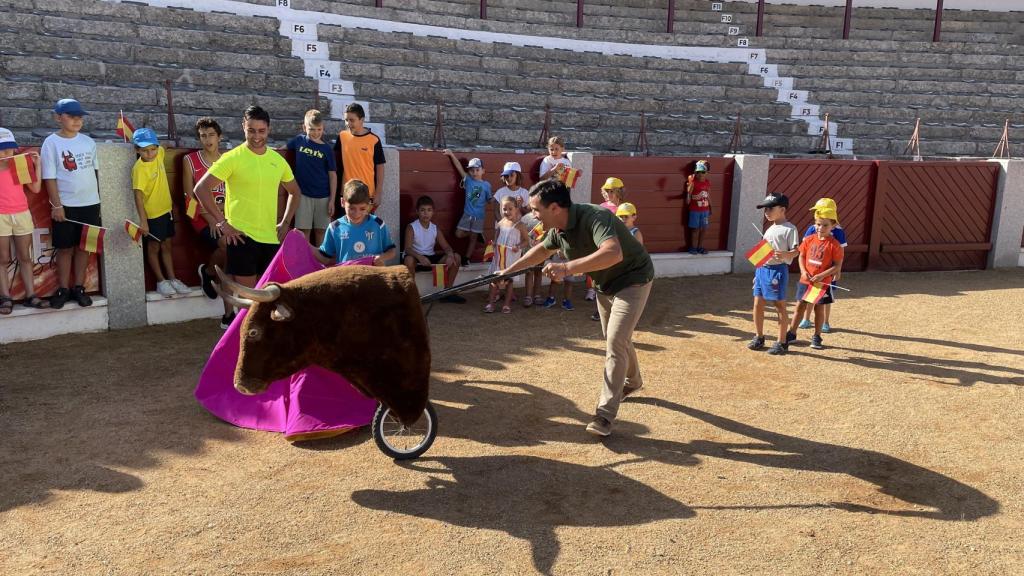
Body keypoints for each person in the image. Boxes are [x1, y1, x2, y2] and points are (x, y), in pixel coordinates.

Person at [499, 179, 655, 437]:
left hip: (633, 279)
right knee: (617, 338)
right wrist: (506, 272)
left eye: (536, 209)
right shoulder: (557, 229)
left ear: (556, 208)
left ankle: (604, 416)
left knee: (615, 341)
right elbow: (539, 252)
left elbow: (613, 253)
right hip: (605, 285)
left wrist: (566, 268)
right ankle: (634, 381)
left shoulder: (596, 216)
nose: (532, 215)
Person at [193, 105, 300, 325]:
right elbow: (201, 189)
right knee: (249, 302)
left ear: (268, 130)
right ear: (243, 128)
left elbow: (295, 193)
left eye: (261, 131)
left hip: (270, 238)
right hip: (241, 237)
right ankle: (238, 343)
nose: (256, 136)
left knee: (266, 300)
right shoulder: (233, 158)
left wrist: (286, 222)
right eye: (251, 130)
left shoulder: (277, 160)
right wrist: (223, 223)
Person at [40, 98, 100, 309]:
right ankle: (63, 288)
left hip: (91, 204)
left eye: (79, 116)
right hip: (65, 205)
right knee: (65, 248)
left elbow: (95, 172)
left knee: (84, 248)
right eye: (71, 116)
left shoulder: (88, 142)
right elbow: (49, 177)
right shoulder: (51, 143)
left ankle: (79, 287)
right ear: (58, 117)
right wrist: (57, 205)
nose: (77, 120)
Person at [183, 118, 234, 326]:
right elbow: (189, 196)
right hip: (200, 216)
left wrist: (223, 218)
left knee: (232, 249)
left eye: (211, 134)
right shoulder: (190, 160)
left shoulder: (229, 158)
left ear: (219, 137)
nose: (207, 139)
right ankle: (210, 273)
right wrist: (212, 218)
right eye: (203, 136)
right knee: (225, 245)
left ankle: (210, 271)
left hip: (226, 215)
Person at [131, 127, 189, 298]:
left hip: (166, 211)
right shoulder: (139, 169)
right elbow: (138, 196)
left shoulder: (160, 153)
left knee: (166, 245)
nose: (150, 153)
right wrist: (143, 221)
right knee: (154, 247)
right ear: (137, 150)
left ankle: (172, 278)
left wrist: (166, 143)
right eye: (145, 150)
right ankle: (160, 281)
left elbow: (163, 145)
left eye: (153, 148)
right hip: (152, 216)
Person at [0, 128, 49, 313]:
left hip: (21, 214)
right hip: (1, 215)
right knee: (3, 258)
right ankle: (5, 297)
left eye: (10, 148)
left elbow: (36, 189)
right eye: (2, 149)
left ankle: (31, 295)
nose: (7, 153)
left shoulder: (18, 165)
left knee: (25, 257)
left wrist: (37, 165)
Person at [748, 192, 800, 356]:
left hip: (777, 270)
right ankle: (759, 336)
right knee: (758, 303)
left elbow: (796, 250)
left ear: (782, 209)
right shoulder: (770, 228)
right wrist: (758, 270)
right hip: (762, 269)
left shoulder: (790, 229)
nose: (767, 212)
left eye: (770, 208)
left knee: (779, 306)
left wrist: (786, 255)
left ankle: (782, 342)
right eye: (765, 209)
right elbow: (764, 249)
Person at [787, 207, 844, 351]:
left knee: (819, 309)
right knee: (800, 306)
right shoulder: (809, 240)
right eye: (818, 224)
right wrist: (803, 271)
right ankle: (792, 332)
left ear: (833, 226)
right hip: (806, 280)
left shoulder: (835, 245)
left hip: (822, 283)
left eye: (825, 225)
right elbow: (801, 256)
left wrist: (822, 276)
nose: (821, 228)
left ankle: (817, 336)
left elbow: (837, 265)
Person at [315, 179, 395, 266]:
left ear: (368, 205)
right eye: (352, 208)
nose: (357, 214)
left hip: (373, 277)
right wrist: (305, 242)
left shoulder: (378, 224)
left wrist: (381, 257)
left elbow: (391, 250)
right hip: (347, 277)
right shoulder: (334, 227)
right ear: (342, 202)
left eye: (362, 209)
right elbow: (325, 258)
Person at [287, 109, 337, 246]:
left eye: (319, 129)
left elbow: (332, 176)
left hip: (323, 197)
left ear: (323, 128)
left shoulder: (327, 149)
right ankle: (304, 265)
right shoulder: (298, 141)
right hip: (303, 195)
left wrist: (332, 200)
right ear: (304, 127)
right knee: (303, 232)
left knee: (322, 232)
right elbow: (282, 151)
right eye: (312, 129)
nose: (316, 133)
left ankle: (320, 265)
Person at [797, 198, 846, 333]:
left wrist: (838, 270)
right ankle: (806, 319)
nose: (821, 227)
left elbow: (841, 252)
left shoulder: (838, 232)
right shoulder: (812, 229)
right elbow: (804, 250)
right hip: (811, 270)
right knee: (809, 295)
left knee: (825, 298)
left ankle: (826, 321)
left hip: (827, 273)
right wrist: (805, 269)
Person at [403, 195, 464, 303]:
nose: (426, 213)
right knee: (408, 260)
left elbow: (446, 247)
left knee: (456, 257)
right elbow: (407, 248)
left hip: (431, 258)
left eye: (429, 210)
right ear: (417, 211)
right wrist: (419, 257)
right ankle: (411, 294)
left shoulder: (434, 228)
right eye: (422, 210)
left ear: (433, 212)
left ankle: (447, 292)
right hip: (417, 258)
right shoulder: (411, 227)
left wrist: (450, 255)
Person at [333, 103, 385, 214]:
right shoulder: (342, 136)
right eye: (346, 120)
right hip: (346, 194)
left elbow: (380, 167)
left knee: (365, 230)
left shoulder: (374, 140)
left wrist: (378, 193)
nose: (348, 124)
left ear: (362, 119)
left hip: (367, 194)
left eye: (352, 120)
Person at [444, 150, 491, 265]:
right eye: (472, 170)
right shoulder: (468, 180)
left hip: (479, 216)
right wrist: (451, 154)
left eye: (477, 170)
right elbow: (459, 167)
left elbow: (489, 199)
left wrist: (493, 200)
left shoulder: (486, 185)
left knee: (473, 239)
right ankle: (476, 233)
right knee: (458, 234)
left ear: (483, 171)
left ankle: (466, 258)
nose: (474, 172)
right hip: (467, 214)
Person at [484, 196, 529, 314]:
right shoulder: (501, 222)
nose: (507, 212)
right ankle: (491, 303)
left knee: (509, 281)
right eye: (504, 209)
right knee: (494, 280)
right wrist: (494, 242)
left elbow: (526, 241)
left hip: (511, 258)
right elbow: (497, 232)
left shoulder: (520, 225)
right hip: (499, 256)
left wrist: (518, 246)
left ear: (516, 209)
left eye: (510, 209)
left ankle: (506, 304)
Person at [685, 160, 711, 255]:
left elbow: (708, 195)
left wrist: (711, 207)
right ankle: (693, 247)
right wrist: (688, 191)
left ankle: (700, 247)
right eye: (698, 172)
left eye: (703, 172)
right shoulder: (693, 183)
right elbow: (687, 200)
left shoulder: (707, 182)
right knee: (695, 229)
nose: (700, 174)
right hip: (695, 211)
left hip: (705, 210)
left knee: (704, 229)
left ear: (707, 173)